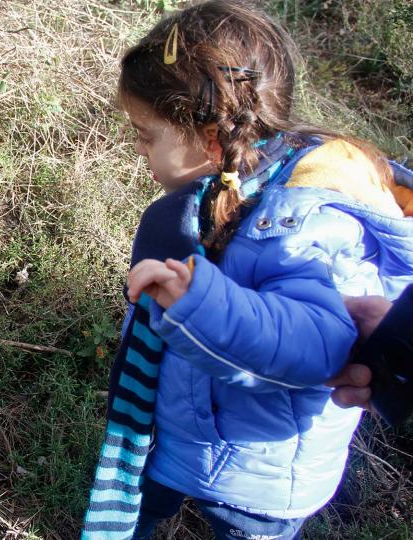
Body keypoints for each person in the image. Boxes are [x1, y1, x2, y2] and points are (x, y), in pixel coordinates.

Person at [82, 2, 413, 539]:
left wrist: (200, 305)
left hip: (255, 476)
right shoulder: (234, 183)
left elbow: (317, 343)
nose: (139, 150)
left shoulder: (305, 223)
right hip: (177, 430)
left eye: (146, 135)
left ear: (211, 139)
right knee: (145, 508)